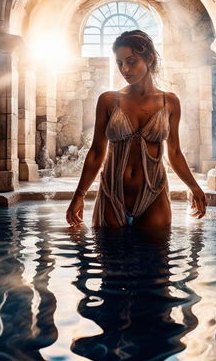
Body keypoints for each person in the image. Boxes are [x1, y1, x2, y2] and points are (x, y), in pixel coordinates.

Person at [66, 29, 207, 228]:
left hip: (154, 193)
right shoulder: (108, 100)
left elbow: (174, 152)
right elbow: (97, 151)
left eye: (131, 61)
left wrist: (195, 187)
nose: (124, 69)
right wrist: (79, 195)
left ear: (149, 59)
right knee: (108, 256)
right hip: (112, 192)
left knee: (157, 257)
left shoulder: (170, 102)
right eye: (119, 63)